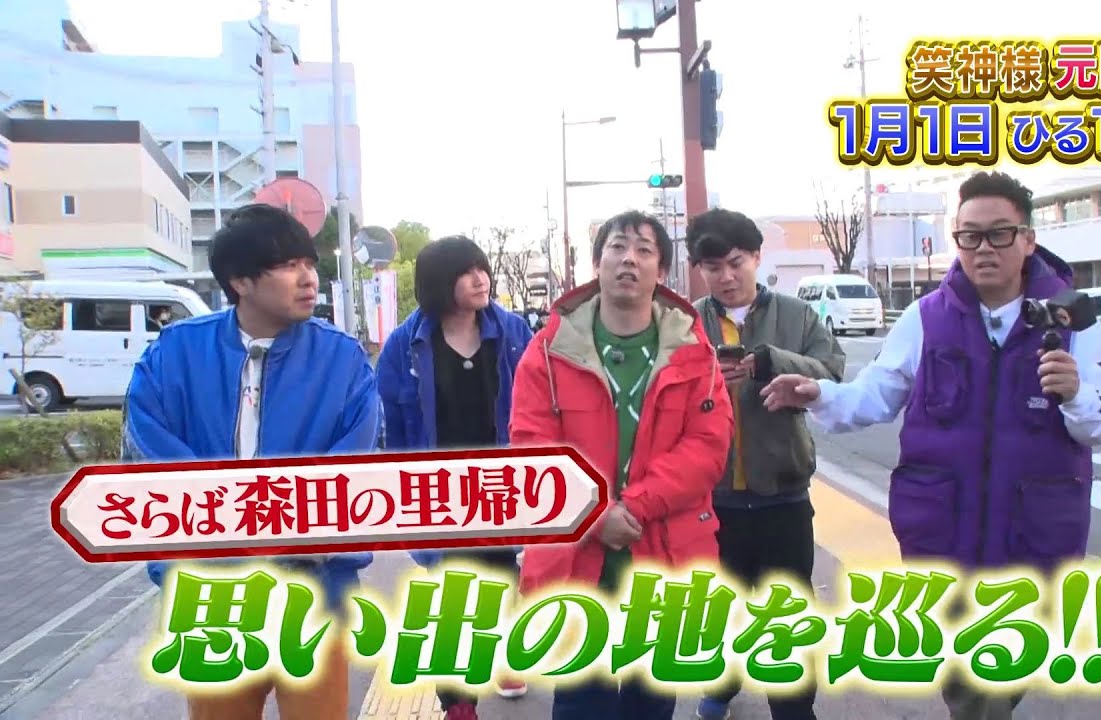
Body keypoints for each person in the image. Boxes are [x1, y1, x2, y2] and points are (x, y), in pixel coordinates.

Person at [761, 172, 1101, 720]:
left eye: (999, 234)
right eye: (969, 236)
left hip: (1036, 533)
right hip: (942, 531)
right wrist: (820, 394)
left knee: (1002, 676)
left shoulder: (1072, 320)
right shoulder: (926, 317)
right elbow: (876, 394)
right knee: (973, 682)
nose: (984, 249)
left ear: (1028, 239)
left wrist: (1075, 394)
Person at [122, 203, 382, 720]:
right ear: (240, 282)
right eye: (288, 266)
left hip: (314, 593)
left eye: (309, 264)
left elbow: (356, 468)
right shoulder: (174, 354)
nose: (308, 278)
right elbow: (148, 455)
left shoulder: (342, 359)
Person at [509, 210, 733, 720]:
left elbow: (708, 446)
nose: (629, 258)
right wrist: (594, 515)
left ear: (661, 271)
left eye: (644, 250)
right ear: (597, 264)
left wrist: (631, 507)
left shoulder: (694, 353)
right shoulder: (548, 353)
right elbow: (532, 450)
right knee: (578, 706)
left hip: (664, 556)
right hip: (575, 560)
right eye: (617, 247)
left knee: (650, 705)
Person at [686, 208, 845, 720]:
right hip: (712, 500)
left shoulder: (797, 316)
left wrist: (774, 363)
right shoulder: (685, 322)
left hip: (783, 494)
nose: (726, 277)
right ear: (699, 270)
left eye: (736, 262)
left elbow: (834, 372)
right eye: (713, 267)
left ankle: (795, 710)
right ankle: (721, 684)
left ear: (757, 257)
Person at [376, 235, 534, 720]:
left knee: (502, 581)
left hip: (501, 484)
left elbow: (538, 401)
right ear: (440, 283)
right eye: (466, 272)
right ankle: (458, 702)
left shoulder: (512, 331)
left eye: (481, 268)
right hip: (439, 490)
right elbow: (393, 425)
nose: (480, 279)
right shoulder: (404, 344)